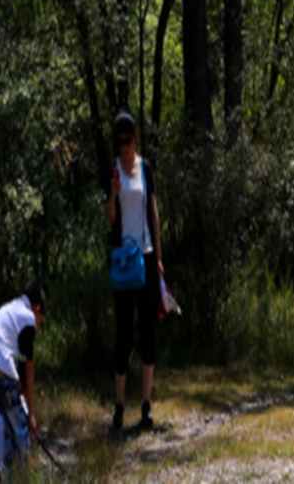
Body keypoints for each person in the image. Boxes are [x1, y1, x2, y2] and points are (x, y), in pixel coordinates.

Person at [107, 108, 165, 436]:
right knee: (123, 335)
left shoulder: (146, 168)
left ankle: (145, 404)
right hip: (122, 262)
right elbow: (111, 218)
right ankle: (118, 404)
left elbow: (153, 212)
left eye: (129, 141)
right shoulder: (114, 170)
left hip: (144, 257)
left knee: (148, 333)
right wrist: (114, 193)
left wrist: (159, 254)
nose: (125, 148)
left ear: (136, 139)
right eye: (120, 142)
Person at [0, 282, 44, 479]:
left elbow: (20, 371)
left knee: (1, 428)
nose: (39, 325)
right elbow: (29, 370)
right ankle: (24, 478)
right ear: (37, 308)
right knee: (21, 435)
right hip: (3, 374)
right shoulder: (28, 318)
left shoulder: (10, 309)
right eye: (41, 320)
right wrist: (31, 414)